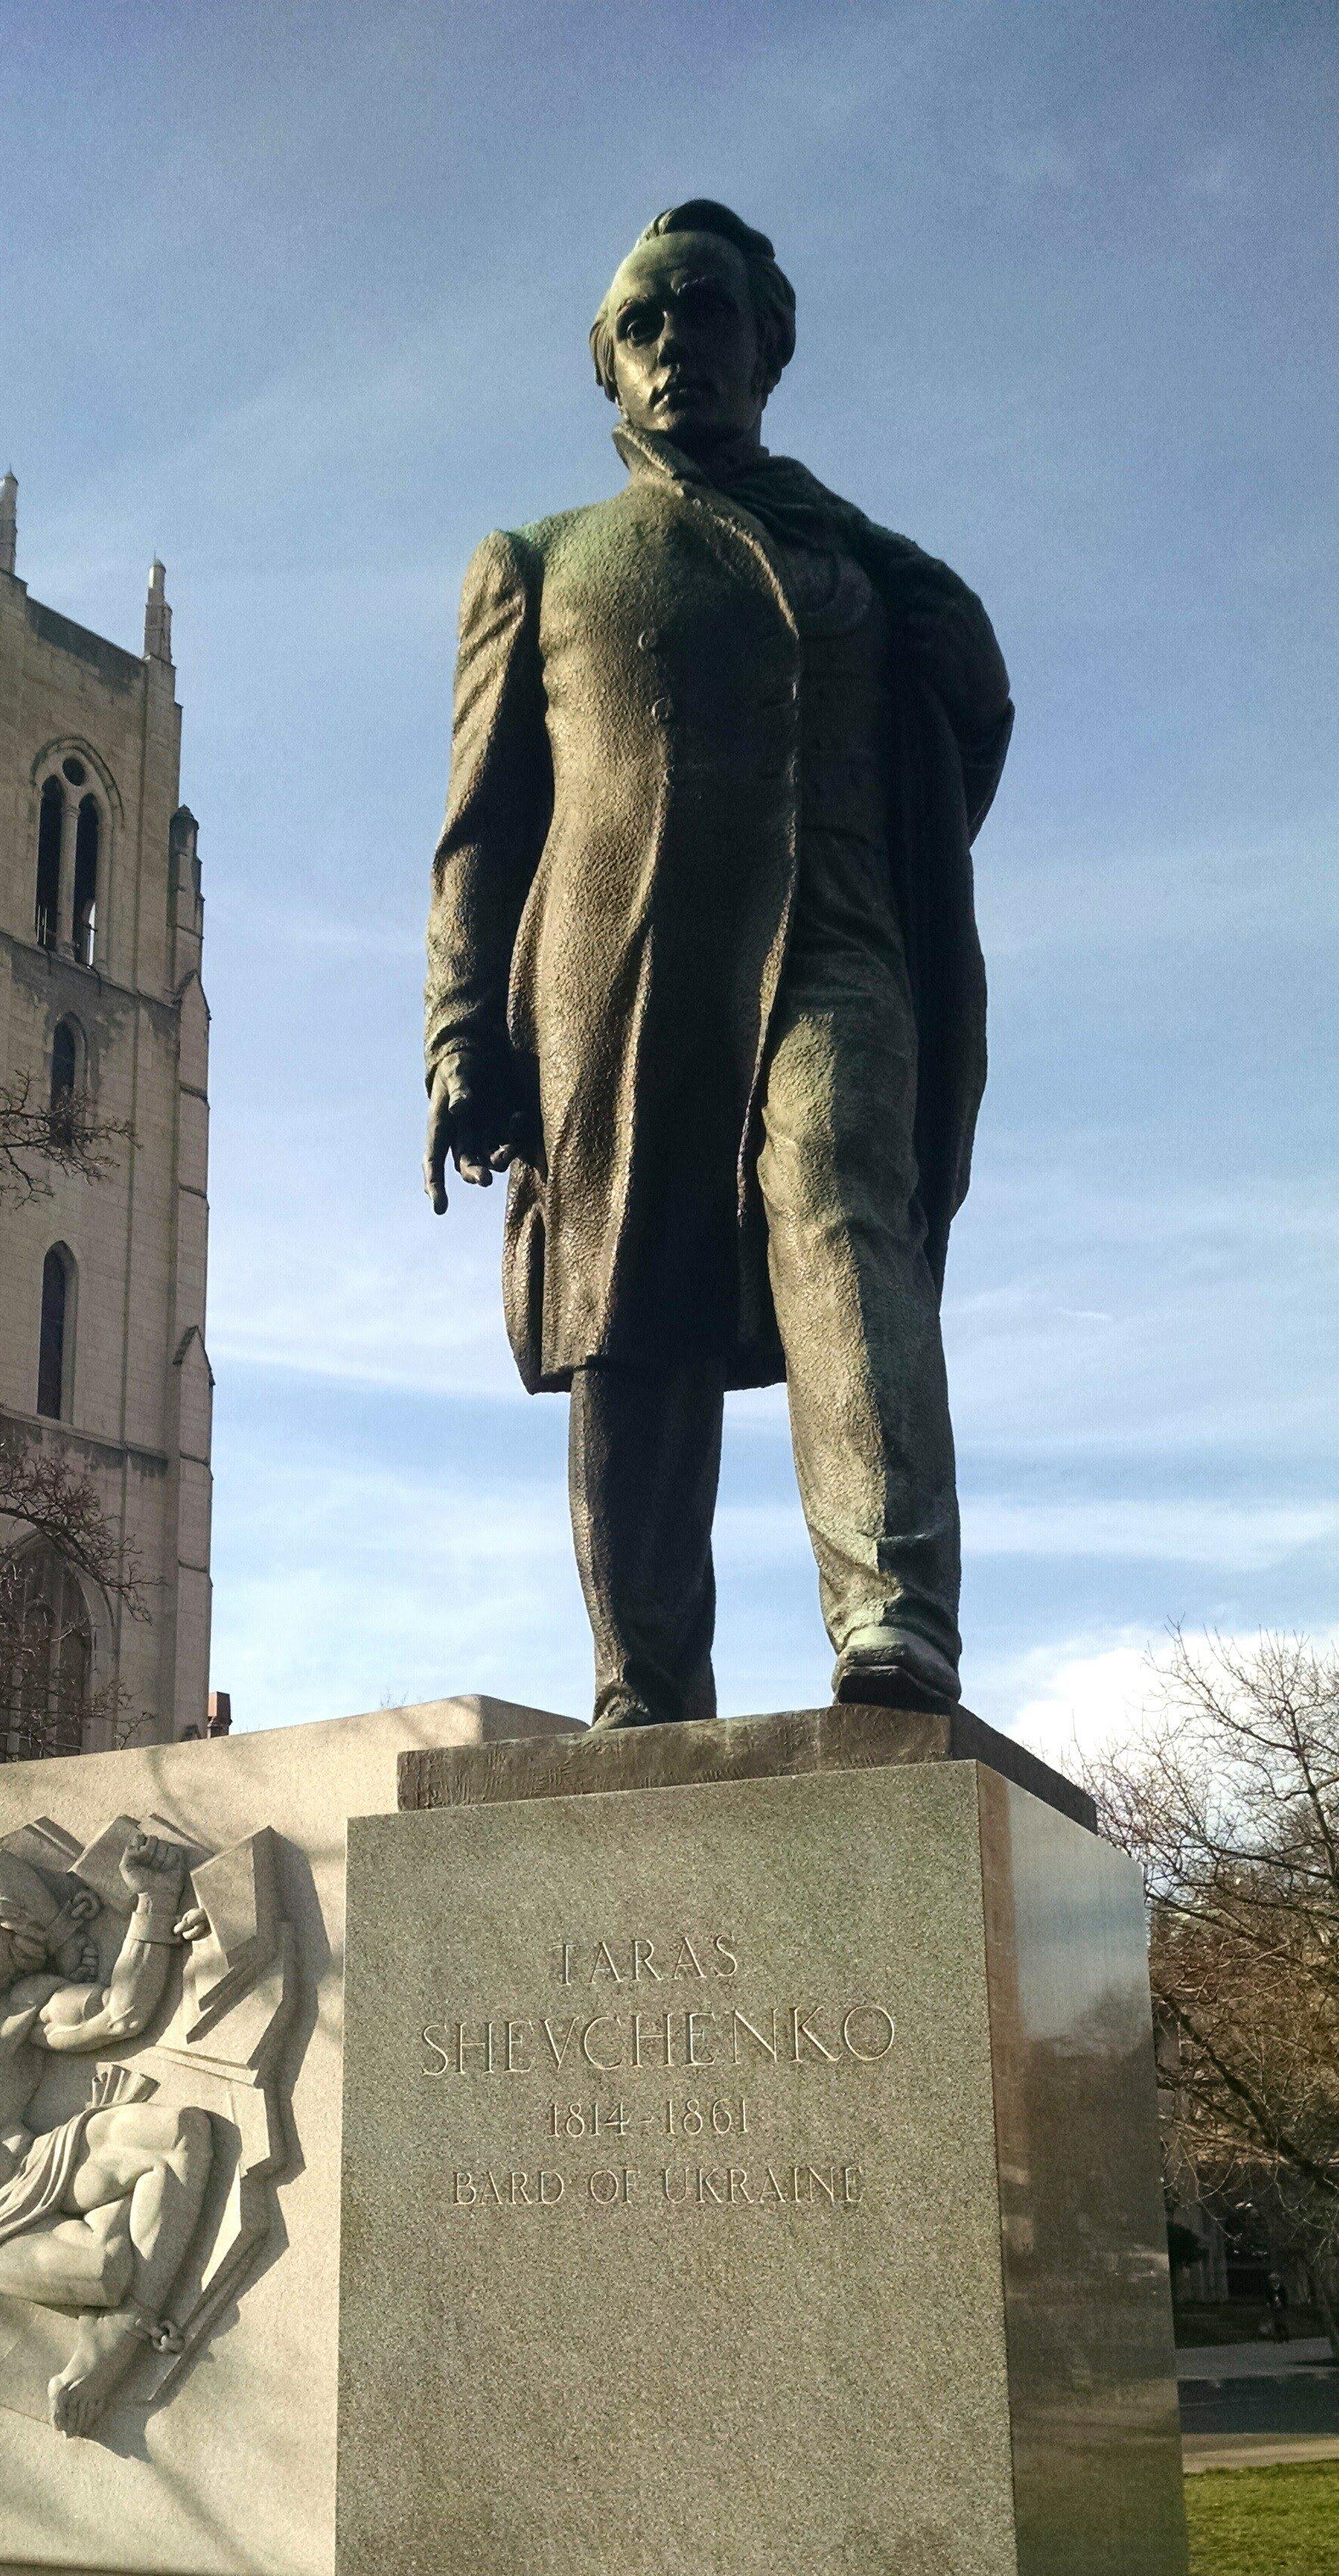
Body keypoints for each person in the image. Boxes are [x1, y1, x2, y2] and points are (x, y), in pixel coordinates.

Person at [424, 200, 1012, 1726]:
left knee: (841, 1222)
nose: (675, 340)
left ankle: (892, 1622)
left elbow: (970, 734)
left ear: (769, 342)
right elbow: (483, 824)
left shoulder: (872, 571)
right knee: (631, 1318)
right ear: (607, 368)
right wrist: (456, 1031)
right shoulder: (542, 559)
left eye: (704, 311)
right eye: (643, 322)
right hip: (614, 972)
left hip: (838, 947)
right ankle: (643, 1685)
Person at [0, 1833, 214, 2432]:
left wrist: (154, 1902)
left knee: (183, 2134)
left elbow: (121, 2012)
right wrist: (63, 1934)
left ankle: (124, 2329)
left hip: (30, 2169)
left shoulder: (23, 2009)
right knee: (106, 2269)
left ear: (14, 1974)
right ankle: (116, 2316)